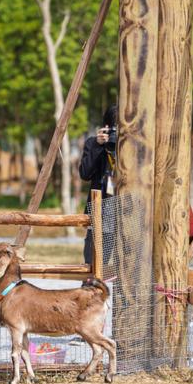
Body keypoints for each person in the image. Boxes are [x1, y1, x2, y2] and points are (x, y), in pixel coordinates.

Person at [79, 105, 117, 265]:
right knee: (94, 264)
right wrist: (97, 146)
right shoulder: (93, 144)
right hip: (102, 208)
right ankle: (89, 289)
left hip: (129, 210)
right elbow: (85, 174)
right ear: (107, 127)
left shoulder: (135, 145)